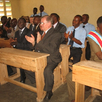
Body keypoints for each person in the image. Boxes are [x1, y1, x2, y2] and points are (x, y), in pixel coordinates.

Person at [25, 15, 62, 101]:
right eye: (40, 23)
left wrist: (38, 42)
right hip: (40, 56)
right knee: (27, 66)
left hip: (52, 58)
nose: (40, 24)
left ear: (49, 23)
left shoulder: (56, 34)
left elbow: (52, 49)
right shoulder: (41, 33)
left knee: (47, 70)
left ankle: (49, 91)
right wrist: (33, 43)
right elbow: (37, 47)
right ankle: (39, 81)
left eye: (42, 23)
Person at [11, 17, 33, 83]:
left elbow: (29, 46)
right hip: (19, 52)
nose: (19, 23)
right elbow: (16, 43)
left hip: (27, 52)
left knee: (23, 64)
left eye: (21, 22)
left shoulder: (29, 32)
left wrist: (17, 44)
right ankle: (22, 76)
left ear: (25, 23)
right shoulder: (17, 32)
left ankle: (26, 77)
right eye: (18, 22)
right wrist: (14, 44)